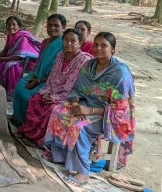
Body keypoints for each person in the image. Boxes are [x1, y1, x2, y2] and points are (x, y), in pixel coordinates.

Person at [44, 32, 135, 186]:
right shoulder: (89, 65)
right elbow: (75, 90)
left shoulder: (120, 72)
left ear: (113, 49)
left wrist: (89, 111)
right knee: (58, 111)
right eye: (96, 45)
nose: (98, 48)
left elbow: (121, 108)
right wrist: (75, 105)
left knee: (79, 126)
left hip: (109, 115)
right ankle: (61, 157)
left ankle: (82, 172)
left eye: (104, 45)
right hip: (85, 105)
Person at [17, 28, 93, 147]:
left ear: (80, 43)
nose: (68, 44)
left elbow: (72, 85)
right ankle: (30, 133)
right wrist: (48, 92)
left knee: (51, 108)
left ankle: (41, 140)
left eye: (73, 41)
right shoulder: (60, 55)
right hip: (54, 91)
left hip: (75, 97)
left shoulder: (84, 60)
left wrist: (54, 97)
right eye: (66, 40)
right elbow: (53, 76)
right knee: (36, 99)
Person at [12, 14, 67, 125]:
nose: (52, 28)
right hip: (37, 75)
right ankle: (19, 121)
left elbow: (60, 71)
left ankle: (29, 124)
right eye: (50, 25)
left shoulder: (65, 45)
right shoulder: (45, 42)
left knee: (29, 95)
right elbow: (39, 60)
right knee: (19, 87)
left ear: (63, 27)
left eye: (56, 25)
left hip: (51, 81)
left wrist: (39, 81)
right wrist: (33, 76)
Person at [0, 16, 41, 100]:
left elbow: (17, 57)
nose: (11, 27)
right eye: (9, 25)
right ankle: (0, 89)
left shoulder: (22, 37)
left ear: (19, 26)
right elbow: (5, 50)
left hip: (27, 61)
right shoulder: (10, 35)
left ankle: (10, 94)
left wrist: (0, 59)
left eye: (14, 25)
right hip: (15, 58)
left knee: (10, 66)